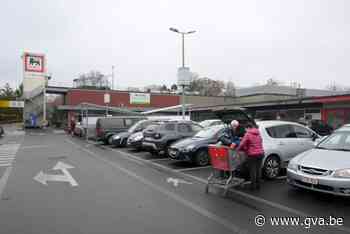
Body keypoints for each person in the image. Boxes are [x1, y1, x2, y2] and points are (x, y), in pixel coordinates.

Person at [236, 123, 264, 190]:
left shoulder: (248, 134)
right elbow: (260, 141)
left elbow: (242, 144)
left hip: (252, 155)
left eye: (245, 129)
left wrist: (238, 149)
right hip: (261, 154)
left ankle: (253, 186)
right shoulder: (258, 133)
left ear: (248, 128)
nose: (245, 130)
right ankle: (258, 185)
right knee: (258, 170)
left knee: (253, 171)